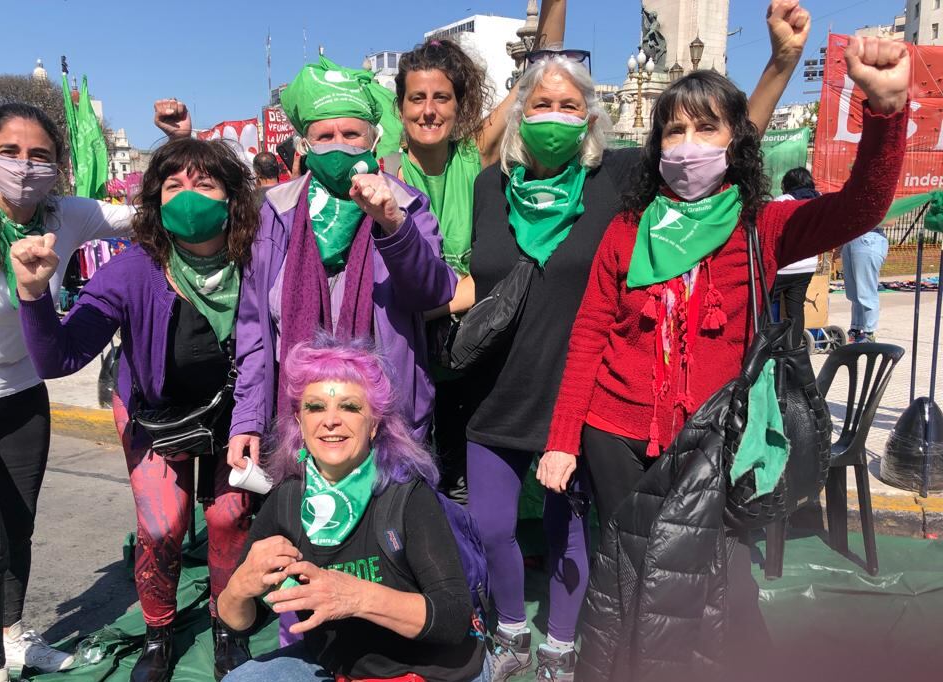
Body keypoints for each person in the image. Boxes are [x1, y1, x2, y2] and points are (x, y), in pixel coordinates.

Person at [464, 3, 815, 679]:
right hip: (541, 399)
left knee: (697, 573)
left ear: (592, 118)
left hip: (613, 403)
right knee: (621, 564)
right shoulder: (489, 188)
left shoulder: (615, 182)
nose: (555, 116)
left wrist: (780, 65)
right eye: (541, 105)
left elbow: (718, 149)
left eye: (570, 105)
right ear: (517, 112)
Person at [542, 34, 908, 674]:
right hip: (616, 435)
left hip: (715, 443)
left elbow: (861, 208)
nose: (687, 144)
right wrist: (563, 438)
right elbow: (590, 333)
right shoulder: (626, 231)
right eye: (674, 130)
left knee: (723, 589)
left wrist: (884, 115)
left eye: (706, 127)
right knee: (628, 582)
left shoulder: (760, 224)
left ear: (736, 140)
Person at [12, 137, 258, 681]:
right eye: (173, 185)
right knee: (164, 525)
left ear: (232, 198)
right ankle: (159, 632)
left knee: (229, 515)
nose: (188, 197)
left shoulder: (259, 261)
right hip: (154, 412)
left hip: (236, 413)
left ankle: (227, 625)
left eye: (204, 184)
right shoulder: (131, 269)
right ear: (154, 199)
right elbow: (61, 357)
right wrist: (34, 296)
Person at [0, 103, 134, 680]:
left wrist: (190, 163)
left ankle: (14, 635)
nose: (24, 166)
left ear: (58, 166)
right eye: (10, 152)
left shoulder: (67, 216)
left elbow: (149, 216)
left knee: (18, 530)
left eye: (40, 155)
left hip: (19, 396)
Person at [225, 55, 457, 474]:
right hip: (300, 423)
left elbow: (435, 291)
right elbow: (254, 333)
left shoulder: (406, 206)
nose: (338, 143)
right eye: (324, 134)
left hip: (389, 426)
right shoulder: (275, 213)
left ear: (372, 140)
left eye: (351, 133)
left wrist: (392, 225)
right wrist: (247, 420)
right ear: (305, 144)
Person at [216, 337, 489, 681]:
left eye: (349, 407)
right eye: (316, 407)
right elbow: (239, 622)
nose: (331, 421)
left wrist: (355, 597)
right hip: (338, 668)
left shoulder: (406, 495)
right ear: (299, 422)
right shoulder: (286, 501)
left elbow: (452, 618)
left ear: (374, 424)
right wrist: (240, 587)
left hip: (430, 670)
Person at [394, 2, 566, 501]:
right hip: (409, 349)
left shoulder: (475, 151)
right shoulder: (383, 171)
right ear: (401, 107)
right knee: (412, 472)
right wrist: (453, 298)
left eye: (442, 98)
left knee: (466, 474)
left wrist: (556, 4)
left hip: (476, 343)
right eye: (417, 98)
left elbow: (539, 71)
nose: (429, 110)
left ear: (459, 103)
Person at [771, 167, 821, 348]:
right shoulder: (819, 200)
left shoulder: (783, 201)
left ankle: (767, 344)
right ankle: (793, 348)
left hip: (784, 265)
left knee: (765, 305)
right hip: (807, 265)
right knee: (796, 310)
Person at [841, 220, 890, 342]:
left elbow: (891, 221)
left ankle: (869, 332)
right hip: (850, 237)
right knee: (853, 292)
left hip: (868, 238)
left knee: (866, 291)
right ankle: (856, 329)